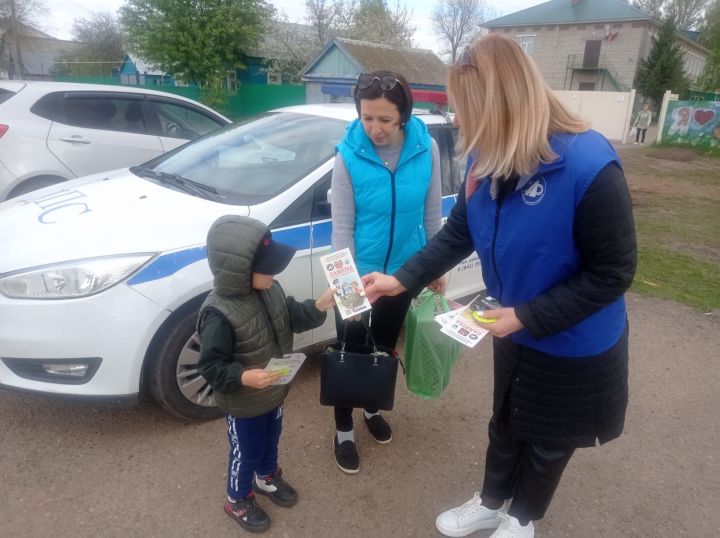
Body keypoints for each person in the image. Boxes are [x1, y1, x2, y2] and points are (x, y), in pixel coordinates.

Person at [362, 35, 637, 538]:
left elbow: (613, 273)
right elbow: (459, 232)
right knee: (507, 420)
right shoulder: (487, 157)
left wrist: (528, 316)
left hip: (573, 340)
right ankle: (490, 503)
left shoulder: (590, 167)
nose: (460, 123)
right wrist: (401, 279)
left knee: (550, 438)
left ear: (501, 104)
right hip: (511, 324)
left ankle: (522, 518)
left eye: (466, 109)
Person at [330, 70, 444, 473]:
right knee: (350, 351)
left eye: (384, 120)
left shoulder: (425, 147)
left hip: (405, 272)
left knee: (383, 347)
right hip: (358, 276)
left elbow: (432, 213)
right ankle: (343, 425)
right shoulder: (347, 154)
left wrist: (434, 265)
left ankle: (371, 408)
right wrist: (347, 291)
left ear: (404, 117)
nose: (374, 128)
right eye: (367, 118)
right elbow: (341, 228)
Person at [197, 215, 335, 534]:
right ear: (240, 271)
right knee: (245, 451)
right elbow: (210, 366)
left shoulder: (270, 290)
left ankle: (267, 475)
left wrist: (319, 305)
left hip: (274, 389)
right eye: (268, 267)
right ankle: (237, 497)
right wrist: (244, 377)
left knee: (271, 438)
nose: (275, 272)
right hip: (244, 401)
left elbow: (292, 316)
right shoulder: (218, 314)